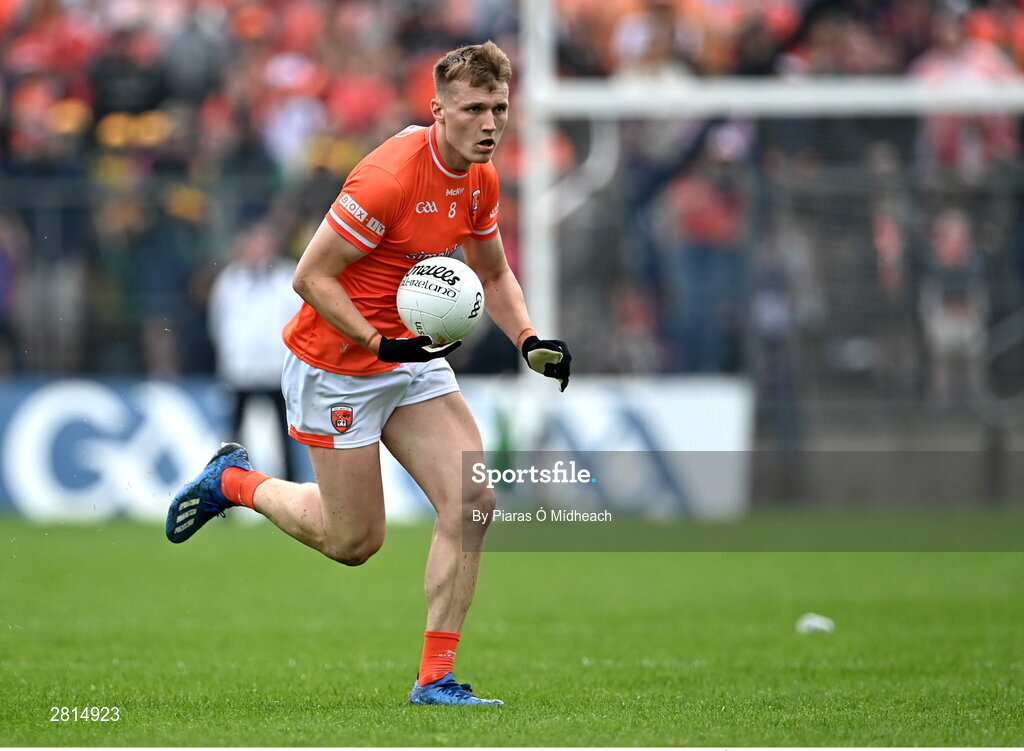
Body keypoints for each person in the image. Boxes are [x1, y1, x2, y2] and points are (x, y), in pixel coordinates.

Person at [165, 41, 571, 707]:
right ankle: (234, 481)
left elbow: (494, 273)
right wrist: (378, 341)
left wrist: (528, 339)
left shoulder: (481, 177)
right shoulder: (388, 177)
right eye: (474, 109)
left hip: (409, 359)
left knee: (473, 502)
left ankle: (435, 679)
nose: (491, 123)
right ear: (439, 109)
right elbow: (310, 276)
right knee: (353, 541)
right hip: (338, 363)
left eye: (500, 108)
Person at [207, 220, 300, 480]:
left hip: (277, 372)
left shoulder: (287, 278)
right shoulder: (230, 280)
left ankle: (291, 489)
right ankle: (226, 488)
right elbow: (219, 324)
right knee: (233, 439)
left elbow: (299, 323)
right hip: (241, 372)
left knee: (285, 437)